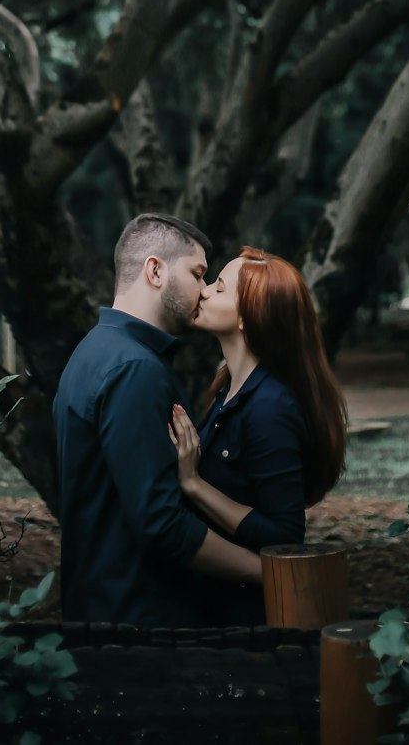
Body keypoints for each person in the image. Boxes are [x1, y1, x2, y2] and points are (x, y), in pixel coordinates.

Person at [52, 212, 263, 626]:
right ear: (155, 270)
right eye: (197, 273)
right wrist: (266, 572)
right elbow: (162, 522)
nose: (203, 291)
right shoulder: (134, 368)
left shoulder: (95, 351)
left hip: (103, 611)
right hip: (137, 624)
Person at [169, 247, 348, 624]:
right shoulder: (229, 390)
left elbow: (285, 536)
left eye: (219, 288)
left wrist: (195, 485)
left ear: (248, 318)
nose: (202, 291)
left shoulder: (270, 408)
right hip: (212, 607)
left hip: (247, 622)